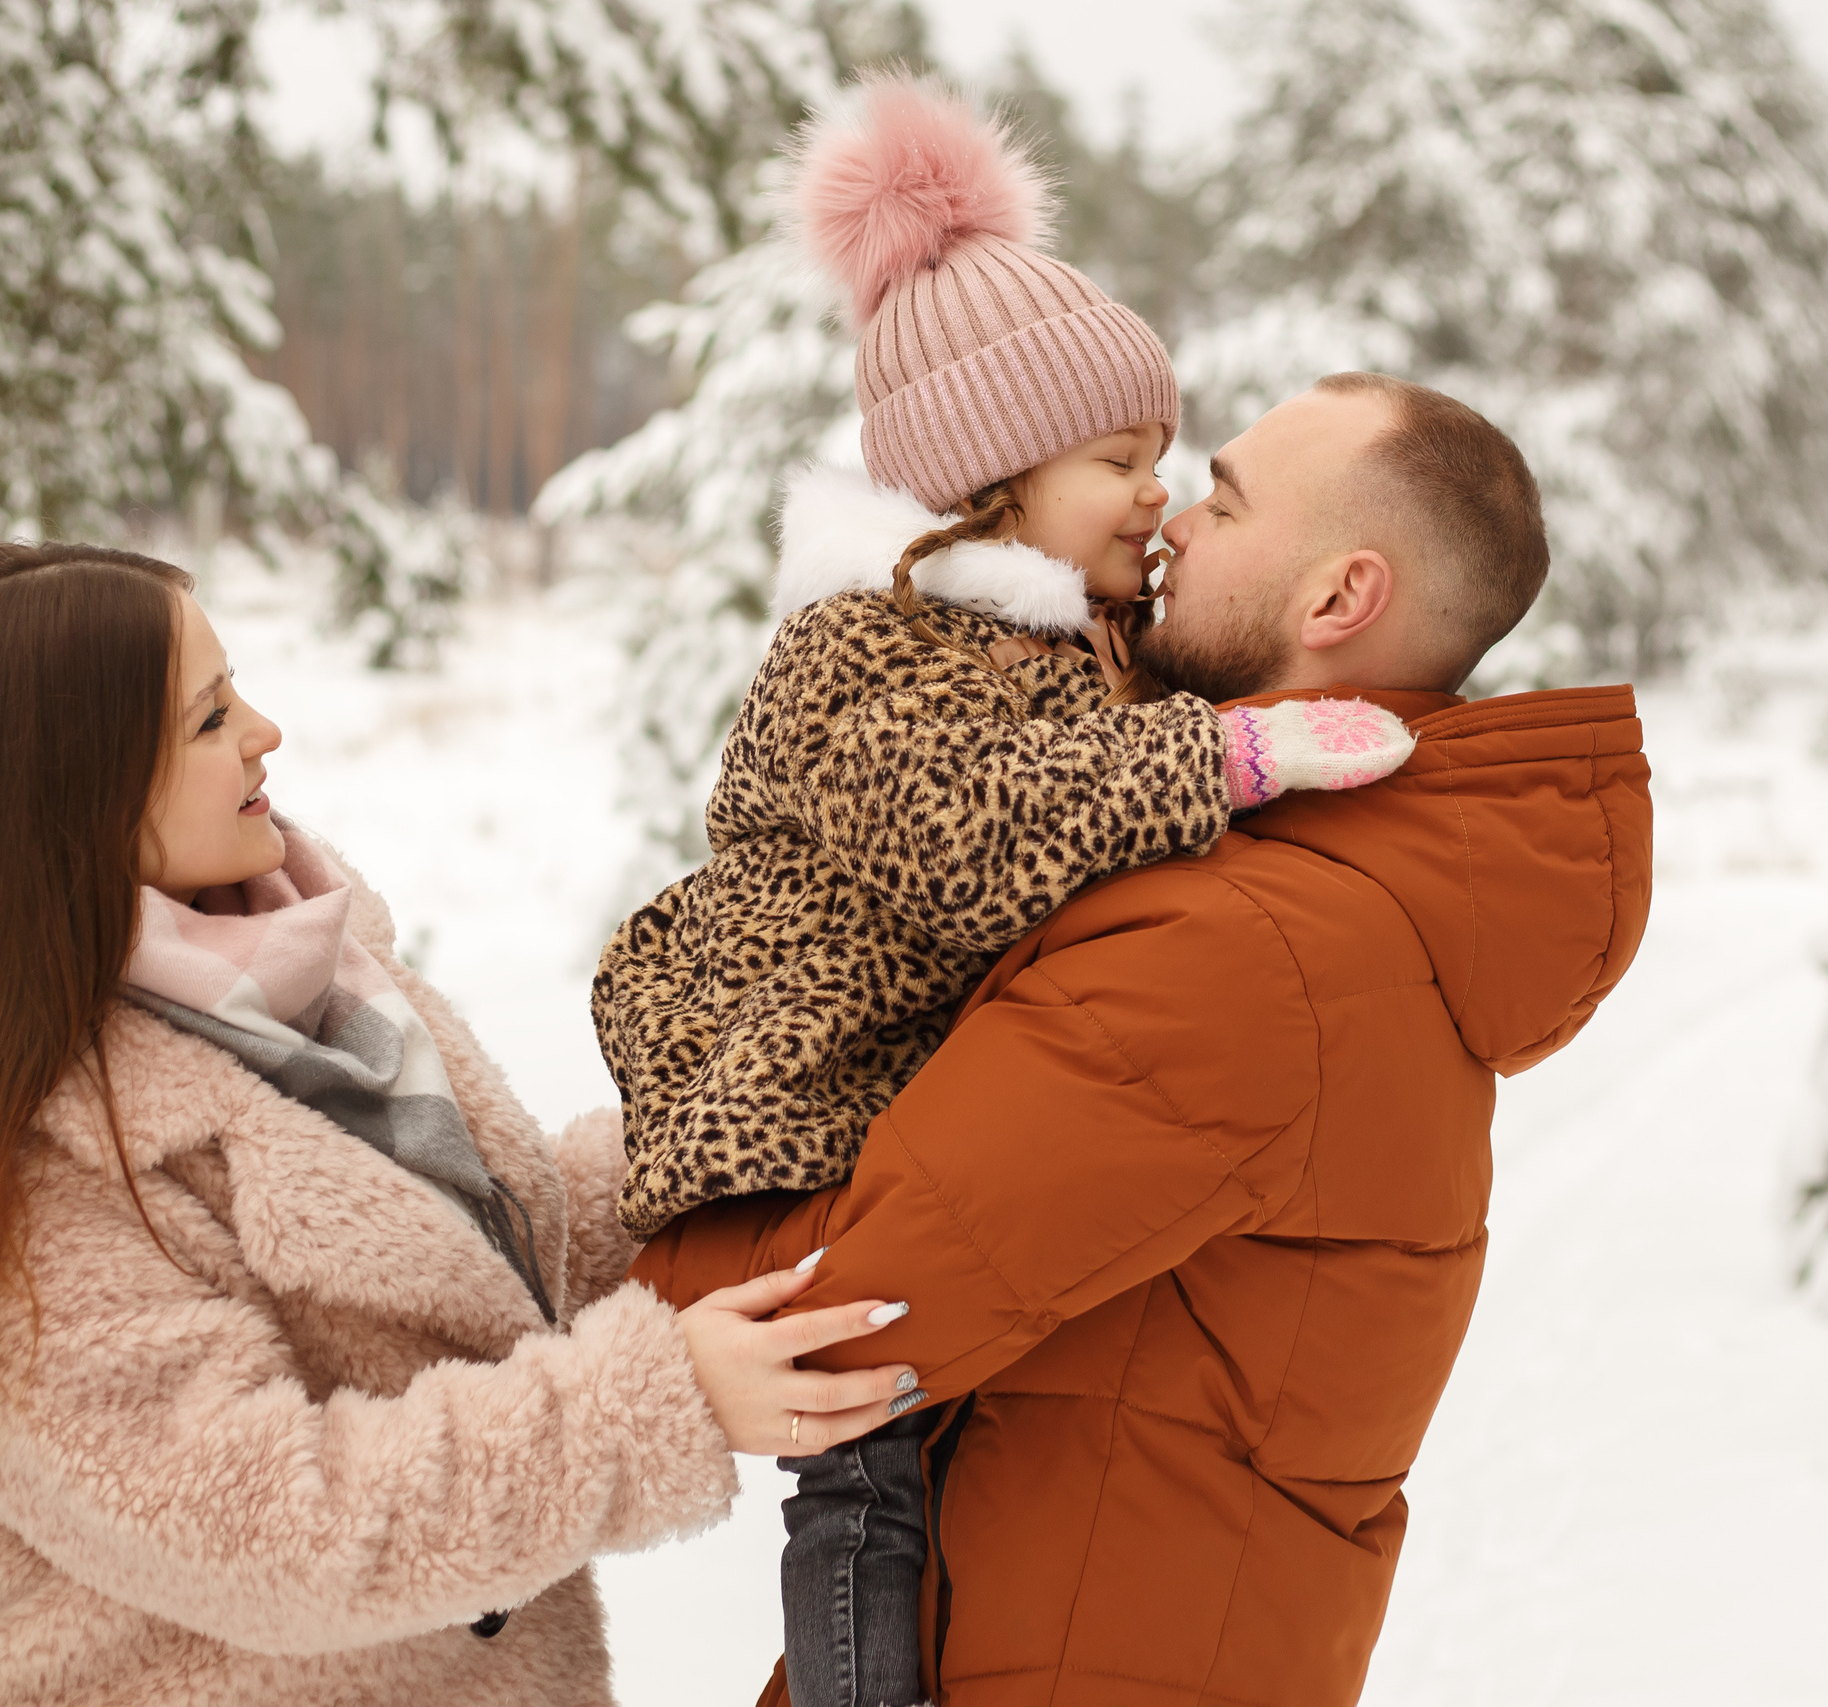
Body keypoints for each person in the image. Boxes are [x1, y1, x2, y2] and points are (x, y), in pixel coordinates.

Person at [630, 371, 1657, 1706]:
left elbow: (836, 1314)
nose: (1171, 519)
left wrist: (624, 1211)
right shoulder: (1318, 896)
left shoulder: (1250, 947)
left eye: (1223, 497)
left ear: (1338, 599)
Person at [592, 79, 1415, 1707]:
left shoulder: (1032, 640)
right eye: (1121, 458)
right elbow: (974, 845)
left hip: (899, 1109)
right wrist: (1228, 764)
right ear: (994, 474)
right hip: (802, 1115)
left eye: (1163, 459)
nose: (1155, 495)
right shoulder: (865, 650)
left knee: (934, 1440)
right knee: (866, 1466)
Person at [0, 542, 922, 1707]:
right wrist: (655, 1404)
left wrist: (730, 1135)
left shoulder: (300, 977)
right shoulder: (15, 1173)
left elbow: (484, 1270)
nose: (264, 731)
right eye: (208, 717)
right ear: (67, 791)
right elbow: (280, 1527)